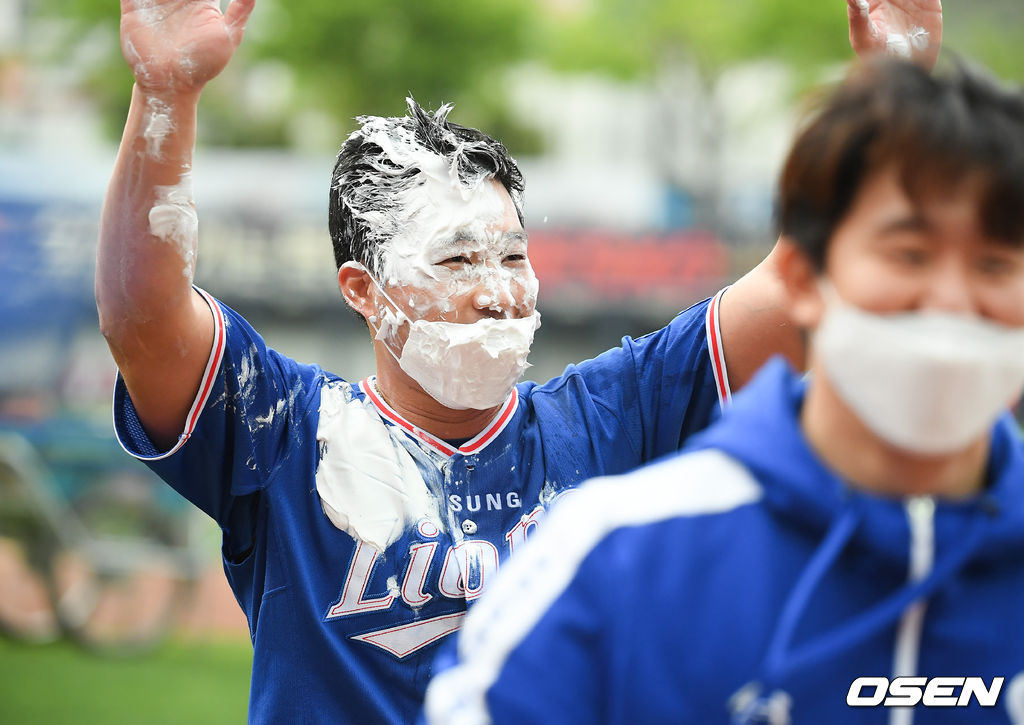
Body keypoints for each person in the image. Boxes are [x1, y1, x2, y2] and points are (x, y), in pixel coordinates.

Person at [96, 1, 940, 722]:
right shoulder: (287, 429)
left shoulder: (617, 414)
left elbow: (805, 282)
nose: (498, 291)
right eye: (457, 261)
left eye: (511, 256)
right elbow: (142, 320)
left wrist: (892, 99)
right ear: (363, 288)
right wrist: (163, 98)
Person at [423, 56, 1024, 725]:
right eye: (908, 255)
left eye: (995, 264)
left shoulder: (608, 409)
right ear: (802, 277)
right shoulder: (615, 560)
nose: (949, 304)